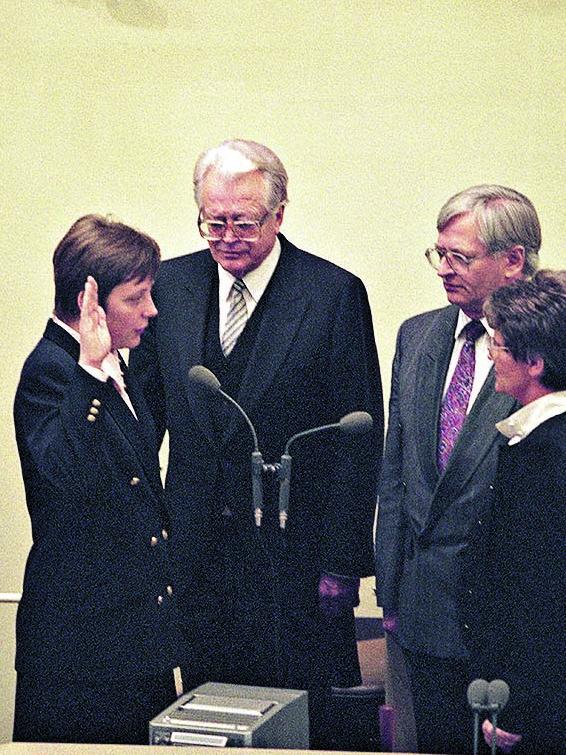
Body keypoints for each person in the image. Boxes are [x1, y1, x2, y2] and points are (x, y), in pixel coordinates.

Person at [129, 139, 383, 742]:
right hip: (196, 558)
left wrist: (344, 561)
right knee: (204, 720)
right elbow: (143, 421)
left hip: (296, 561)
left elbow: (360, 439)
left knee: (296, 723)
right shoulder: (168, 285)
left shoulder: (332, 293)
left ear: (278, 213)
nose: (227, 235)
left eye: (243, 221)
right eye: (212, 221)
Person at [375, 184, 541, 754]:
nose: (443, 270)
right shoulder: (417, 334)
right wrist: (389, 587)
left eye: (460, 258)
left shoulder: (548, 350)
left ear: (513, 261)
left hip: (509, 616)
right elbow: (396, 468)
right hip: (421, 606)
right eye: (438, 254)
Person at [13, 214, 187, 744]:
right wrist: (89, 369)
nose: (151, 311)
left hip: (132, 642)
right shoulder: (54, 370)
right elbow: (65, 475)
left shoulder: (114, 364)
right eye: (136, 298)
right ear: (89, 299)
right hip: (82, 653)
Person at [463, 271, 566, 754]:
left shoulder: (548, 453)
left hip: (538, 703)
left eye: (498, 345)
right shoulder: (535, 438)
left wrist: (520, 702)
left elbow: (538, 594)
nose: (489, 354)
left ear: (536, 362)